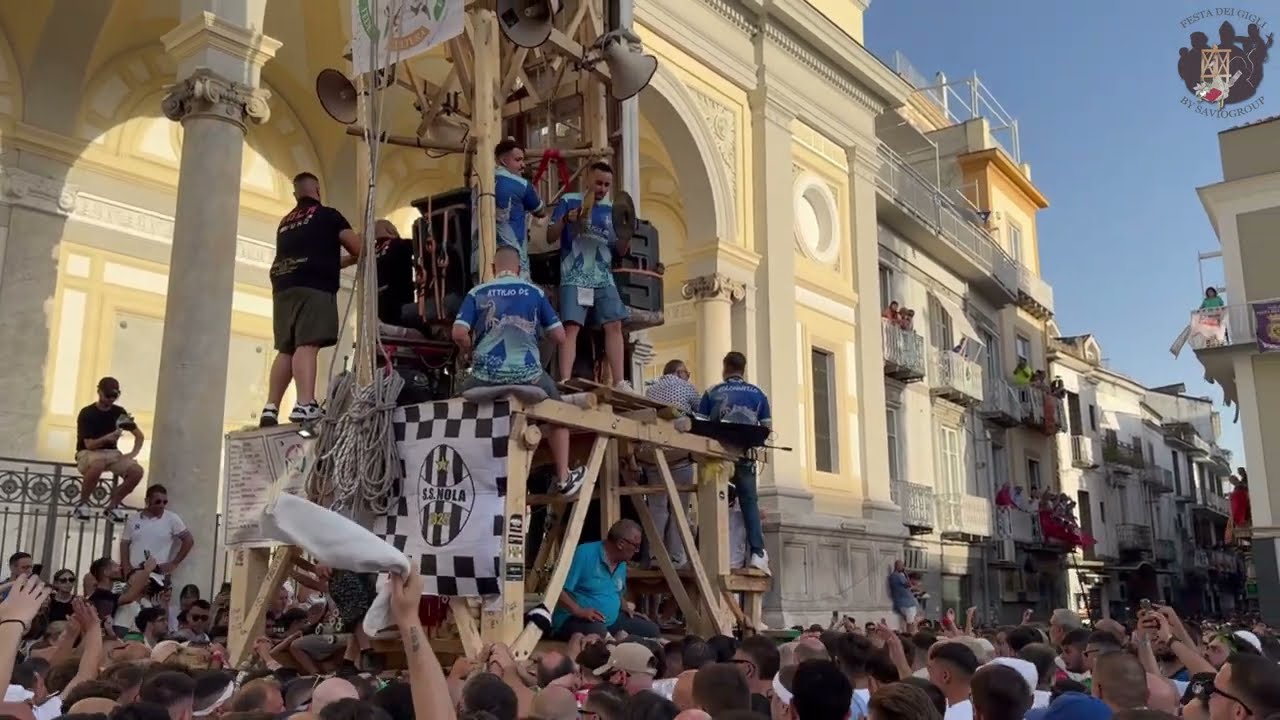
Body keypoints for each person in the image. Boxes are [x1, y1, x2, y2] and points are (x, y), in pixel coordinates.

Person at [452, 245, 584, 495]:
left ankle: (461, 473)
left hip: (483, 377)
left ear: (493, 268)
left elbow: (458, 332)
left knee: (457, 404)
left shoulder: (477, 292)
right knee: (559, 414)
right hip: (529, 377)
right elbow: (559, 335)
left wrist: (468, 350)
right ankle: (565, 478)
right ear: (520, 268)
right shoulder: (534, 292)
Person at [261, 172, 362, 426]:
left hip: (283, 284)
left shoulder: (285, 222)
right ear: (317, 190)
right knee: (307, 344)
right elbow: (357, 247)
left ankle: (270, 407)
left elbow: (314, 257)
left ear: (296, 195)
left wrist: (345, 262)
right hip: (313, 287)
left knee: (286, 347)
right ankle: (305, 404)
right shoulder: (328, 215)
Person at [548, 162, 630, 387]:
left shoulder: (614, 210)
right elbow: (549, 236)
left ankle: (621, 381)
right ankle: (564, 378)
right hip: (573, 275)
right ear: (587, 179)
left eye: (607, 185)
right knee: (571, 326)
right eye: (598, 183)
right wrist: (566, 220)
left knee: (614, 325)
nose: (602, 188)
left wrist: (625, 232)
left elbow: (620, 250)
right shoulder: (569, 201)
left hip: (604, 277)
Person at [698, 351, 771, 574]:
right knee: (749, 502)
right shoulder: (758, 394)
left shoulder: (713, 391)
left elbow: (701, 424)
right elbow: (766, 427)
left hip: (717, 459)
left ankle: (706, 551)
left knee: (715, 501)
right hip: (746, 457)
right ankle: (758, 554)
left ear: (725, 368)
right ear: (743, 368)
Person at [551, 519, 660, 639]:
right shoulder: (584, 553)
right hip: (575, 618)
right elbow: (556, 590)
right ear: (621, 544)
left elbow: (616, 591)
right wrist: (579, 611)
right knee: (597, 630)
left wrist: (626, 608)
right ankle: (617, 640)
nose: (637, 551)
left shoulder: (622, 563)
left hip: (610, 620)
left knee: (651, 629)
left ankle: (618, 638)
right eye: (636, 546)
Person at [639, 359, 701, 568]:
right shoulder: (687, 387)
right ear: (679, 372)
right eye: (687, 372)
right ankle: (675, 556)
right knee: (679, 508)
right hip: (678, 455)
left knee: (657, 507)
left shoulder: (651, 390)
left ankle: (655, 557)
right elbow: (701, 412)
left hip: (652, 454)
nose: (688, 376)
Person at [73, 376, 145, 522]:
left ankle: (114, 505)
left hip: (112, 454)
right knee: (97, 463)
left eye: (115, 396)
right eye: (108, 396)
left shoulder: (119, 413)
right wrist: (108, 438)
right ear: (99, 392)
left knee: (137, 471)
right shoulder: (88, 413)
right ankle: (83, 504)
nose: (111, 399)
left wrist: (132, 454)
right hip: (88, 453)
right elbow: (89, 445)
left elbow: (139, 436)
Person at [477, 139, 547, 280]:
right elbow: (541, 211)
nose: (523, 165)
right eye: (518, 160)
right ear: (503, 161)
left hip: (481, 261)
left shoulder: (480, 183)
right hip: (514, 260)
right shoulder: (521, 184)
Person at [121, 485, 193, 579]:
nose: (161, 505)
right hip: (134, 575)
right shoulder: (133, 520)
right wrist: (126, 569)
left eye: (165, 502)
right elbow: (124, 544)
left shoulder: (172, 519)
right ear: (147, 501)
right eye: (158, 501)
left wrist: (174, 563)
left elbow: (189, 540)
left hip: (157, 577)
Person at [372, 219, 417, 328]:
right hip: (399, 305)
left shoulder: (373, 253)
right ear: (391, 230)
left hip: (379, 308)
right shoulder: (400, 244)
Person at [889, 560, 918, 629]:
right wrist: (906, 573)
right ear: (898, 566)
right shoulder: (897, 576)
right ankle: (910, 635)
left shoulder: (895, 576)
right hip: (906, 603)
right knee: (910, 623)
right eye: (902, 566)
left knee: (909, 621)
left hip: (904, 602)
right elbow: (908, 584)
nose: (903, 567)